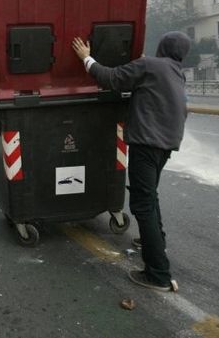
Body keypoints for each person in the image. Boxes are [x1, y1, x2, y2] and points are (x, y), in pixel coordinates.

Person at [72, 31, 190, 292]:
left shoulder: (151, 65)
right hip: (165, 145)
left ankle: (158, 273)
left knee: (142, 204)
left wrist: (86, 58)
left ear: (162, 46)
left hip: (147, 143)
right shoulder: (175, 71)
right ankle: (156, 241)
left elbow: (111, 78)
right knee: (150, 197)